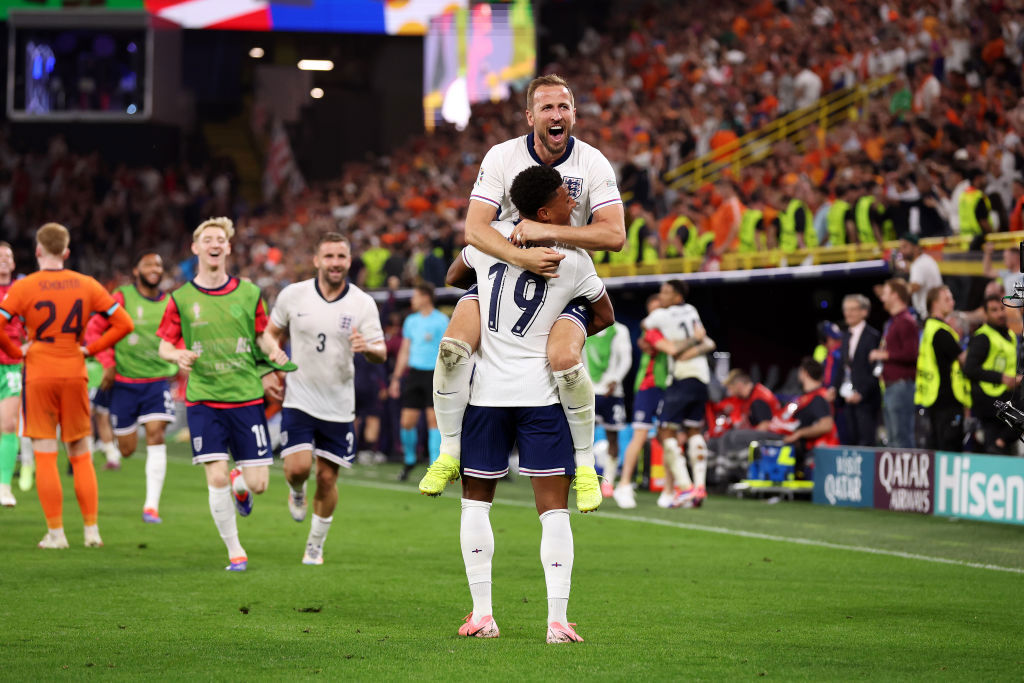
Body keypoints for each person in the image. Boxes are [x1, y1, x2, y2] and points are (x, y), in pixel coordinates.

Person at [419, 73, 625, 511]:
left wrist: (542, 235)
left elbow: (614, 236)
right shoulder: (501, 156)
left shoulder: (592, 163)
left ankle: (586, 465)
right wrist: (521, 255)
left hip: (566, 280)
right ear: (530, 116)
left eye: (563, 107)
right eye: (547, 107)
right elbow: (473, 230)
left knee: (564, 358)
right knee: (454, 346)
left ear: (573, 114)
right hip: (505, 271)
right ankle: (448, 451)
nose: (556, 115)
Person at [448, 164, 613, 643]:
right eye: (566, 196)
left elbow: (454, 273)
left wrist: (483, 297)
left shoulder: (489, 236)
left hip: (487, 396)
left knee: (475, 507)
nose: (573, 201)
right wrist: (569, 322)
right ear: (545, 211)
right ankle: (557, 622)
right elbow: (605, 313)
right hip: (542, 397)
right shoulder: (575, 258)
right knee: (554, 512)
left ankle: (482, 616)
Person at [157, 217, 290, 572]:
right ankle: (235, 551)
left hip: (246, 397)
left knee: (259, 484)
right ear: (196, 248)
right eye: (208, 239)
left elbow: (262, 334)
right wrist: (177, 355)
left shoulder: (248, 292)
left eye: (220, 239)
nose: (214, 244)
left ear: (228, 247)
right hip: (203, 399)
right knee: (214, 475)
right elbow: (163, 346)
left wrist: (273, 351)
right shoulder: (181, 298)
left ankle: (240, 483)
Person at [0, 223, 133, 548]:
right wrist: (92, 349)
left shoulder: (24, 287)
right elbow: (124, 323)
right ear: (67, 252)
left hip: (39, 369)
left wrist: (17, 352)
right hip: (74, 367)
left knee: (45, 452)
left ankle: (56, 533)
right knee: (80, 451)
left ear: (38, 251)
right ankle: (91, 531)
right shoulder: (86, 284)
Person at [264, 233, 386, 565]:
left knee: (328, 477)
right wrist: (272, 353)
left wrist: (368, 348)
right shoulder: (294, 295)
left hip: (338, 404)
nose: (335, 263)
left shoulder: (362, 303)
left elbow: (381, 351)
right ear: (317, 260)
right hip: (299, 398)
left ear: (349, 261)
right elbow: (269, 334)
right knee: (298, 468)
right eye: (329, 256)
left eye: (341, 257)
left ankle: (315, 545)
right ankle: (296, 491)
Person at [84, 251, 178, 523]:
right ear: (136, 270)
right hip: (124, 384)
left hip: (157, 382)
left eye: (159, 264)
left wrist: (177, 358)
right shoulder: (121, 298)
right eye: (148, 264)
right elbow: (93, 331)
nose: (154, 268)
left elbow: (181, 335)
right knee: (126, 448)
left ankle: (151, 506)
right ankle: (118, 450)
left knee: (156, 435)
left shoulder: (171, 302)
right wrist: (107, 362)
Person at [642, 280, 716, 508]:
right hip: (701, 377)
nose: (660, 296)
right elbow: (708, 341)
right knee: (694, 429)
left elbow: (647, 325)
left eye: (665, 292)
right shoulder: (692, 310)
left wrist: (680, 349)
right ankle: (700, 486)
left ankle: (685, 487)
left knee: (665, 432)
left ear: (676, 297)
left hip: (681, 378)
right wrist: (694, 344)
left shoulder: (661, 316)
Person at [612, 294, 668, 509]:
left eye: (660, 309)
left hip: (668, 385)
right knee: (640, 434)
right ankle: (624, 484)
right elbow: (648, 345)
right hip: (648, 386)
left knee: (667, 438)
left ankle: (670, 490)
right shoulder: (649, 331)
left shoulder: (669, 328)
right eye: (653, 310)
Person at [388, 283, 448, 480]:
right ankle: (410, 460)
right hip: (414, 375)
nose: (412, 300)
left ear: (425, 297)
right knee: (407, 422)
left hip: (434, 374)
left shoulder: (441, 320)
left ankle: (435, 468)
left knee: (433, 421)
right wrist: (396, 378)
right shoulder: (411, 321)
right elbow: (405, 350)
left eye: (415, 296)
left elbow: (447, 350)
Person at [914, 285, 968, 451]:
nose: (952, 302)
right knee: (949, 448)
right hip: (947, 399)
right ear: (935, 303)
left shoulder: (929, 329)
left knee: (936, 446)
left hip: (934, 397)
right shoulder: (941, 331)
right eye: (947, 299)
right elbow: (963, 359)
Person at [963, 295, 1018, 454]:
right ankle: (999, 443)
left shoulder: (1010, 336)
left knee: (999, 445)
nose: (1000, 313)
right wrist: (1002, 378)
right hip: (988, 400)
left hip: (1006, 396)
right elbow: (970, 369)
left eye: (1001, 308)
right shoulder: (983, 337)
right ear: (985, 314)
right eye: (994, 310)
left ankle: (1000, 444)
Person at [583, 319, 632, 496]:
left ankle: (608, 482)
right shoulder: (583, 326)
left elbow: (626, 358)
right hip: (587, 390)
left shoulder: (619, 330)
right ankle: (584, 479)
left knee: (613, 437)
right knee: (580, 438)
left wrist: (616, 380)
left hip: (612, 393)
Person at [869, 279, 919, 448]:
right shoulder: (895, 321)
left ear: (895, 295)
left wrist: (883, 354)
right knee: (892, 440)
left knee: (900, 439)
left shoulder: (905, 321)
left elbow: (911, 354)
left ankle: (906, 474)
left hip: (901, 386)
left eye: (886, 293)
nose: (882, 298)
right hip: (892, 386)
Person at [769, 358, 838, 475]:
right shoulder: (807, 396)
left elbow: (826, 425)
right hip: (800, 444)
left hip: (811, 450)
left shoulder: (818, 398)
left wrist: (799, 433)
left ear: (805, 373)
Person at [832, 294, 881, 446]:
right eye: (846, 310)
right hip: (847, 399)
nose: (848, 313)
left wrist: (862, 393)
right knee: (850, 439)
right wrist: (835, 388)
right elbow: (843, 366)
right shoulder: (846, 336)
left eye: (853, 309)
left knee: (866, 442)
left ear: (864, 312)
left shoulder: (873, 336)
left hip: (866, 400)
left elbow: (876, 370)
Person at [0, 242, 24, 507]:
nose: (4, 260)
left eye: (8, 255)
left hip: (10, 365)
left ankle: (4, 486)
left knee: (7, 425)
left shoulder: (21, 290)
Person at [899, 234, 942, 317]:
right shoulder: (925, 259)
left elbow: (913, 287)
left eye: (905, 247)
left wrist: (894, 291)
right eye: (900, 248)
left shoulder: (919, 264)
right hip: (934, 311)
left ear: (916, 247)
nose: (902, 251)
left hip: (928, 314)